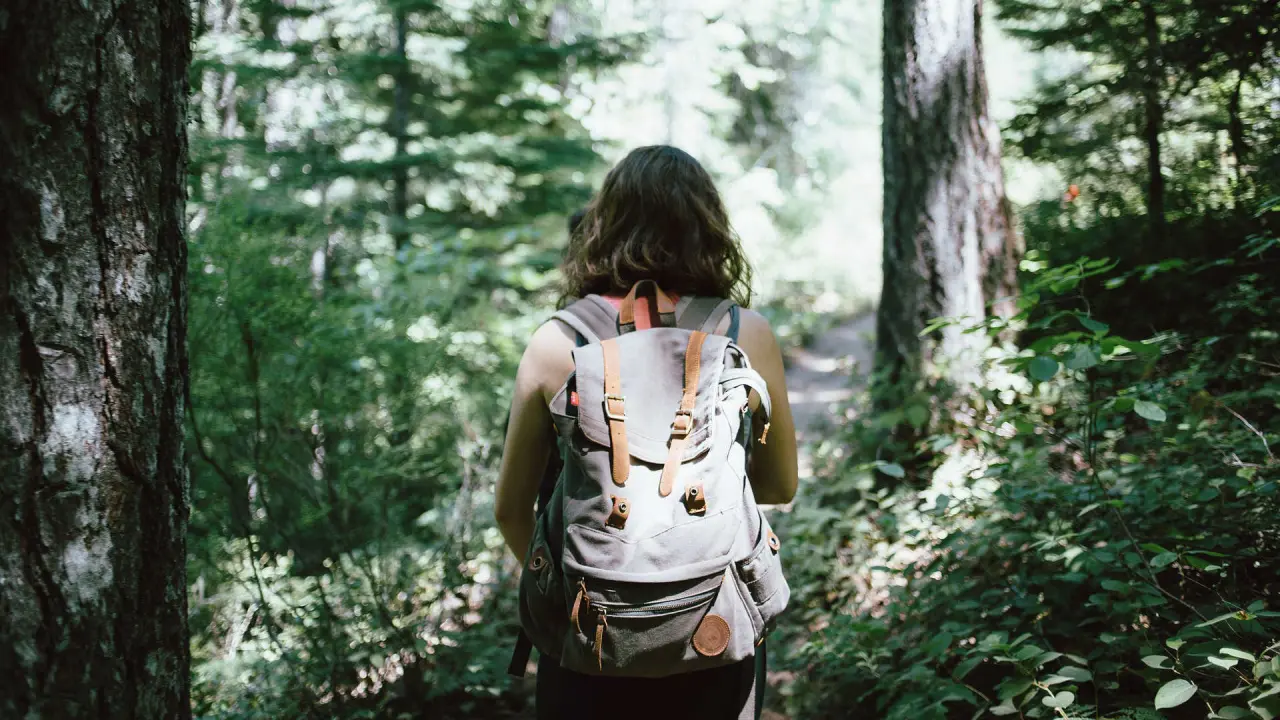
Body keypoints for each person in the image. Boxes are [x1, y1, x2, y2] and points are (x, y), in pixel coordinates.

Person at [494, 145, 799, 720]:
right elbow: (780, 486)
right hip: (714, 631)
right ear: (708, 228)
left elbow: (511, 511)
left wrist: (578, 590)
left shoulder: (555, 342)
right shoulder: (745, 333)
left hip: (588, 641)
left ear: (604, 225)